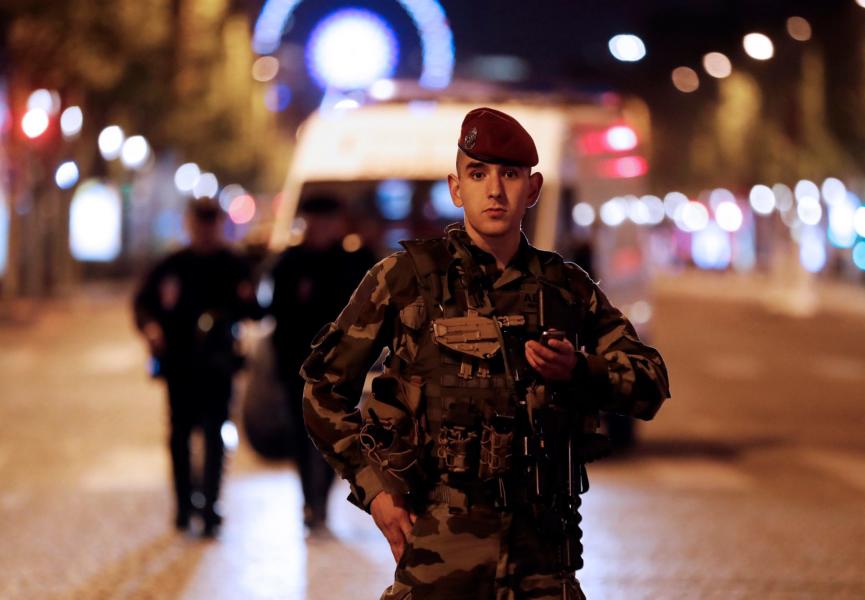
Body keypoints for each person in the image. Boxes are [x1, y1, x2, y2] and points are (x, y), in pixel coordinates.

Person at [301, 107, 670, 598]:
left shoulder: (564, 289)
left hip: (543, 561)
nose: (495, 190)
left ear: (533, 189)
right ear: (457, 188)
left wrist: (580, 370)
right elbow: (323, 390)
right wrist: (376, 490)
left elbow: (650, 382)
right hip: (439, 554)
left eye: (510, 175)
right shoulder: (404, 279)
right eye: (478, 174)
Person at [133, 199, 258, 537]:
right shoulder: (173, 265)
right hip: (181, 363)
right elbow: (144, 304)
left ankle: (212, 504)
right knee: (180, 434)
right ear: (190, 225)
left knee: (217, 433)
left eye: (210, 224)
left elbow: (254, 310)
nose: (204, 231)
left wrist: (245, 302)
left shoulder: (233, 264)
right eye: (199, 224)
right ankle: (184, 503)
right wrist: (152, 329)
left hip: (218, 364)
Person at [265, 194, 376, 531]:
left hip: (340, 368)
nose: (322, 229)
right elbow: (278, 316)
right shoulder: (289, 263)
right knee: (302, 437)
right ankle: (308, 501)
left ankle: (321, 501)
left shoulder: (354, 262)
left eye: (329, 222)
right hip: (297, 366)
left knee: (334, 437)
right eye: (316, 222)